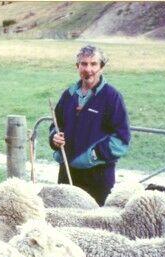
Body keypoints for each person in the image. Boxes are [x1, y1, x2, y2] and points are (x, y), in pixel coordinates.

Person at [49, 45, 131, 206]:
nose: (88, 69)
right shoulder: (69, 95)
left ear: (101, 67)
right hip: (67, 174)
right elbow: (55, 126)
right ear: (77, 66)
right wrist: (54, 138)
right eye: (84, 64)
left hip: (97, 178)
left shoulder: (112, 97)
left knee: (94, 220)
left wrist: (92, 155)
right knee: (64, 217)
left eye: (93, 64)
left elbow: (121, 140)